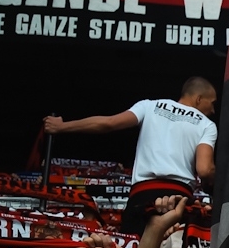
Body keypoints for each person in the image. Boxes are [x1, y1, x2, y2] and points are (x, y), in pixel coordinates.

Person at [42, 77, 217, 235]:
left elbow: (108, 123)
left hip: (142, 196)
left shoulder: (150, 106)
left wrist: (61, 127)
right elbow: (204, 169)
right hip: (178, 200)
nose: (213, 110)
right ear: (198, 99)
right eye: (212, 103)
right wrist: (215, 182)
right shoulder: (206, 125)